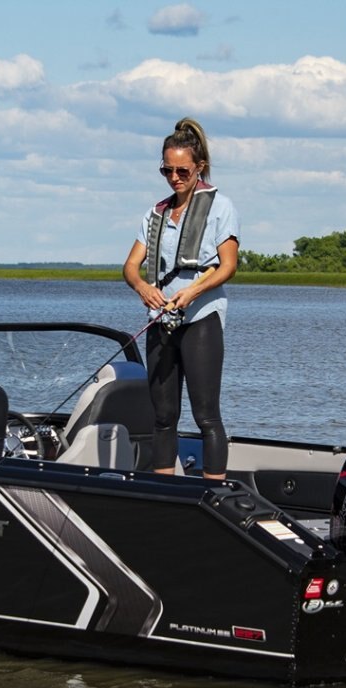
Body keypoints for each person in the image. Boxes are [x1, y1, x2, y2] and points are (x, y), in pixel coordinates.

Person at [122, 117, 240, 480]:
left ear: (198, 167)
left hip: (201, 318)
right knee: (162, 415)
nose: (174, 178)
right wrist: (143, 288)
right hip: (162, 321)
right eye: (167, 170)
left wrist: (193, 291)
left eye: (182, 171)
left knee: (206, 416)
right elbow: (130, 267)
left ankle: (213, 492)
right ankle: (164, 491)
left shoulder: (220, 207)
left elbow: (228, 266)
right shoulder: (154, 213)